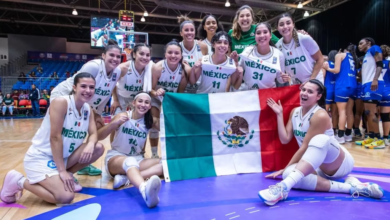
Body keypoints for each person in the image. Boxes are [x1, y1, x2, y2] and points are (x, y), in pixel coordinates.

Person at [258, 79, 384, 206]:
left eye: (310, 91)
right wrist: (279, 114)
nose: (304, 93)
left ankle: (282, 188)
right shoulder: (295, 112)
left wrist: (286, 166)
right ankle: (352, 187)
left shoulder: (320, 115)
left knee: (318, 140)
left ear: (318, 96)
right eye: (303, 90)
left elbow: (305, 147)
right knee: (288, 174)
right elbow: (285, 139)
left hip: (338, 164)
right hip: (317, 165)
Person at [0, 73, 105, 205]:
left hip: (62, 158)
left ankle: (66, 175)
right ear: (74, 87)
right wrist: (61, 170)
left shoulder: (87, 109)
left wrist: (90, 143)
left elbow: (94, 134)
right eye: (83, 86)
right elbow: (55, 137)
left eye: (91, 87)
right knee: (65, 197)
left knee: (98, 147)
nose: (88, 91)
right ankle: (19, 181)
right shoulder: (61, 102)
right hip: (42, 157)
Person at [51, 39, 122, 177]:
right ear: (103, 56)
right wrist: (91, 112)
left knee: (86, 132)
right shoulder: (94, 66)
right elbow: (78, 89)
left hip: (86, 104)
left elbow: (106, 93)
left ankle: (77, 166)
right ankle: (57, 169)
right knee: (68, 132)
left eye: (118, 56)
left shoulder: (117, 72)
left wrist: (98, 113)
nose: (115, 59)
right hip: (65, 96)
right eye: (111, 55)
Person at [98, 92, 162, 208]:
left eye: (147, 102)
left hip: (137, 158)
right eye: (140, 101)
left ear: (150, 106)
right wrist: (114, 124)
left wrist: (163, 101)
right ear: (133, 103)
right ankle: (144, 190)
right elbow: (99, 136)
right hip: (116, 157)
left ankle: (126, 178)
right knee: (130, 161)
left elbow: (170, 124)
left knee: (164, 163)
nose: (143, 104)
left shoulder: (150, 121)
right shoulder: (122, 116)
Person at [149, 39, 191, 159]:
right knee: (153, 122)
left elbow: (180, 93)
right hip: (156, 97)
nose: (173, 55)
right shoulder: (158, 67)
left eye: (176, 53)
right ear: (165, 54)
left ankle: (173, 152)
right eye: (170, 52)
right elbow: (150, 90)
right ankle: (154, 153)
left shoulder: (185, 70)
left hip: (171, 100)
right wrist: (156, 93)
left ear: (181, 55)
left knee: (175, 124)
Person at [235, 22, 289, 90]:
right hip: (248, 93)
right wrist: (235, 63)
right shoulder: (247, 51)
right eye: (258, 33)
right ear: (254, 36)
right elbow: (238, 71)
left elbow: (279, 79)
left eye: (265, 32)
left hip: (268, 94)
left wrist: (284, 79)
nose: (262, 35)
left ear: (270, 35)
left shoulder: (279, 54)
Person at [275, 13, 324, 84]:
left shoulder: (304, 38)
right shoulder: (278, 46)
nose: (285, 26)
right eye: (281, 24)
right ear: (277, 28)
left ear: (293, 24)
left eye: (288, 23)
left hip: (313, 81)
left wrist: (311, 80)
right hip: (296, 85)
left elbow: (320, 59)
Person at [324, 44, 358, 144]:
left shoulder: (340, 55)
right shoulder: (353, 58)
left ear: (341, 50)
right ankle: (348, 134)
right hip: (353, 85)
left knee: (341, 111)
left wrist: (327, 68)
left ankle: (340, 135)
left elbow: (336, 70)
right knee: (349, 111)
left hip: (343, 85)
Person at [355, 38, 384, 149]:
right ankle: (371, 136)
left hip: (374, 84)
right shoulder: (366, 56)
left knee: (371, 112)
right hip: (366, 85)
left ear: (368, 43)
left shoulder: (374, 48)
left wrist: (375, 79)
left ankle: (379, 139)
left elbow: (380, 64)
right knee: (367, 113)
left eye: (361, 43)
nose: (359, 45)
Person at [110, 43, 154, 115]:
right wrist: (115, 100)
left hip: (137, 98)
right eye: (141, 54)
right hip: (121, 96)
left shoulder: (151, 68)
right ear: (134, 54)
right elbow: (112, 83)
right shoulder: (123, 68)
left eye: (148, 55)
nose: (145, 57)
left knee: (139, 120)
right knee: (117, 120)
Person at [177, 15, 208, 93]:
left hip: (200, 89)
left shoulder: (203, 46)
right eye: (186, 30)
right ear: (181, 33)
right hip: (183, 89)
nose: (189, 32)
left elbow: (206, 68)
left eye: (192, 30)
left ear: (195, 32)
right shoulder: (177, 48)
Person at [324, 50, 338, 134]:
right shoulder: (339, 65)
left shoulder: (326, 63)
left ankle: (324, 129)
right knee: (335, 112)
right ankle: (334, 130)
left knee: (325, 110)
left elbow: (323, 76)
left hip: (328, 88)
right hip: (336, 89)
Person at [379, 45, 390, 146]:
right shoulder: (388, 63)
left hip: (376, 90)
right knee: (386, 116)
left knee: (372, 115)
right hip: (386, 90)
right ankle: (386, 138)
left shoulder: (374, 63)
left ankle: (374, 136)